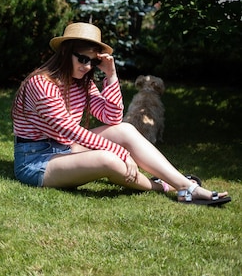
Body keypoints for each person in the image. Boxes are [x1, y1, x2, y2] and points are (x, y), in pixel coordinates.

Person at [12, 22, 231, 206]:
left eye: (93, 61)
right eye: (82, 59)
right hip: (36, 161)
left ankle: (186, 186)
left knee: (126, 129)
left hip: (65, 148)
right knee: (109, 159)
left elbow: (113, 118)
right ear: (66, 53)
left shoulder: (82, 84)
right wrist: (120, 152)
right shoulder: (42, 84)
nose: (88, 67)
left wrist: (111, 75)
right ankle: (165, 186)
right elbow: (68, 129)